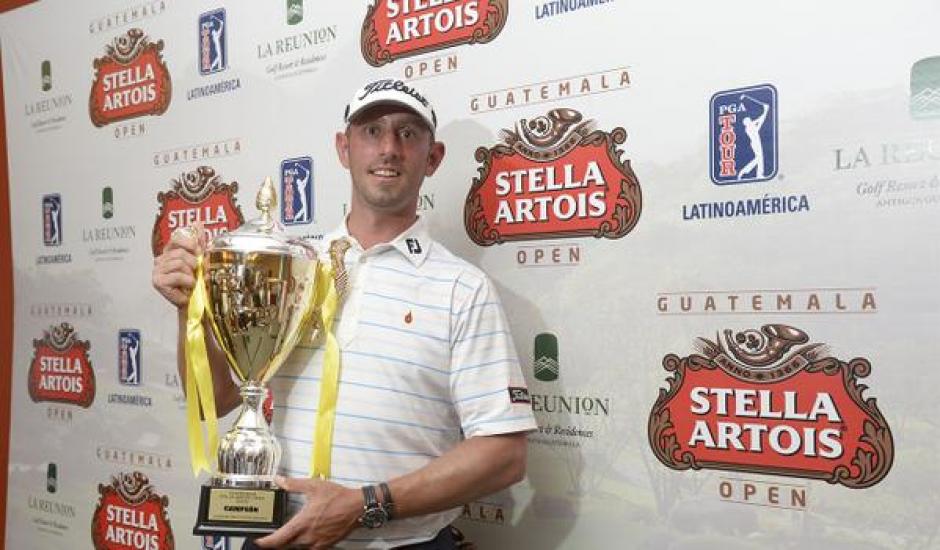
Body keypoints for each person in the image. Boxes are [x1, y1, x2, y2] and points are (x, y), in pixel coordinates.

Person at [152, 79, 536, 549]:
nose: (389, 148)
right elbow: (214, 398)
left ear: (432, 158)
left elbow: (503, 455)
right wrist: (189, 312)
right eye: (371, 131)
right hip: (276, 538)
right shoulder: (290, 266)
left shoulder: (463, 288)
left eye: (408, 134)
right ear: (343, 148)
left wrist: (363, 505)